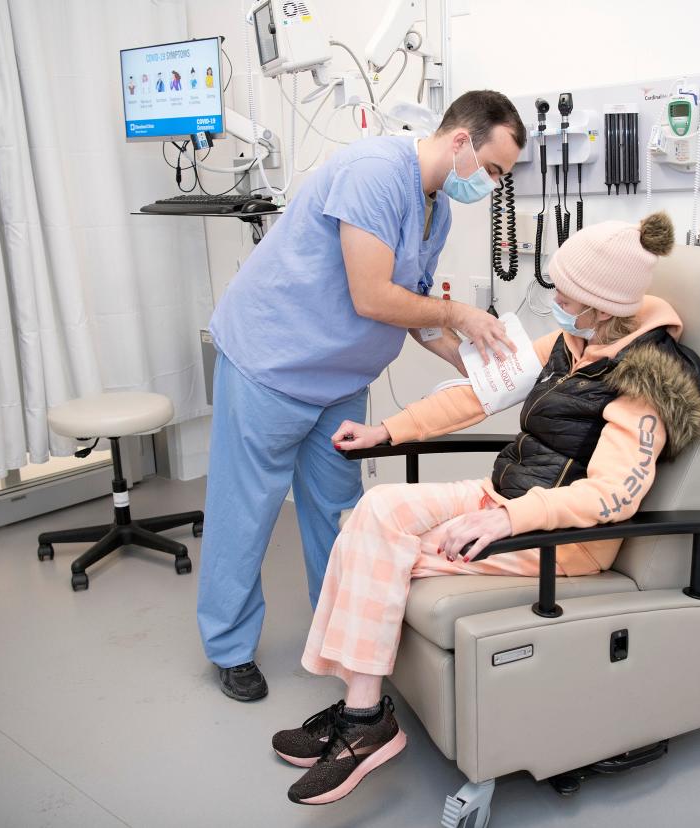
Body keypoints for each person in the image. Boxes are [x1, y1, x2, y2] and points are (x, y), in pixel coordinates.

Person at [270, 211, 700, 805]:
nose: (553, 298)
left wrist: (508, 518)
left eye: (565, 292)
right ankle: (364, 705)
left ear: (603, 306)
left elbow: (612, 496)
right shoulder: (571, 341)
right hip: (503, 493)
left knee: (384, 548)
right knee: (377, 511)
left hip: (562, 540)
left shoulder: (645, 384)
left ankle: (363, 719)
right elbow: (480, 393)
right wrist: (388, 432)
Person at [198, 91, 526, 702]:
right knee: (247, 511)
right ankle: (230, 646)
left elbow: (417, 310)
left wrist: (478, 366)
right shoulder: (374, 173)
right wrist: (461, 310)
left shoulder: (437, 211)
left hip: (342, 379)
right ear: (461, 143)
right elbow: (373, 297)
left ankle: (345, 638)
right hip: (273, 361)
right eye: (493, 170)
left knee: (335, 509)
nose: (492, 185)